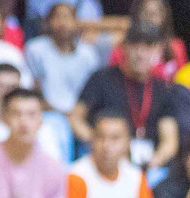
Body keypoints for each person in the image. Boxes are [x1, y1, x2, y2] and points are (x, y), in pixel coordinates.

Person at [71, 23, 179, 174]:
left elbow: (170, 140)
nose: (140, 53)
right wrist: (100, 143)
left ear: (158, 49)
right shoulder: (101, 78)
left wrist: (156, 160)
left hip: (148, 165)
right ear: (124, 47)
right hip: (104, 159)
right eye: (135, 45)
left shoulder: (163, 89)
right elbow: (76, 119)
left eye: (148, 46)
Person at [63, 111, 156, 198]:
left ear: (127, 143)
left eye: (115, 139)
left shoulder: (137, 177)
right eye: (101, 137)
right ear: (92, 139)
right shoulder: (77, 175)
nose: (107, 146)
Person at [25, 1, 100, 113]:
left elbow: (94, 90)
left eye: (68, 17)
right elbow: (31, 86)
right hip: (44, 112)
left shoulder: (88, 53)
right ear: (48, 23)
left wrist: (77, 114)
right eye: (57, 17)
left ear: (76, 22)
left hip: (81, 114)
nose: (63, 22)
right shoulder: (35, 49)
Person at [108, 0, 186, 80]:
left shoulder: (176, 47)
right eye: (145, 13)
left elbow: (182, 81)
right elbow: (113, 80)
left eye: (154, 14)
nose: (150, 19)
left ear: (164, 17)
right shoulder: (122, 48)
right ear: (137, 16)